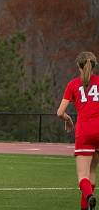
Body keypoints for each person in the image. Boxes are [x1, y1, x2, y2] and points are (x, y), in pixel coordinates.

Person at [57, 51, 99, 210]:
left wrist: (68, 120)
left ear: (79, 66)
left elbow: (60, 112)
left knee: (83, 176)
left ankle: (89, 196)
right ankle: (88, 205)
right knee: (92, 172)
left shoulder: (73, 84)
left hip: (84, 131)